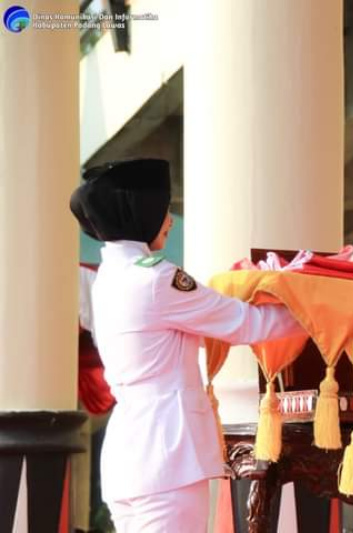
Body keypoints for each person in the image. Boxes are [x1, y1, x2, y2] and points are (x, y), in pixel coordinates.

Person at [69, 158, 304, 532]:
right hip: (168, 455)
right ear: (141, 213)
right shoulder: (157, 280)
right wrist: (319, 314)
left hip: (130, 454)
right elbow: (248, 323)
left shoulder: (108, 279)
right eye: (164, 210)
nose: (170, 220)